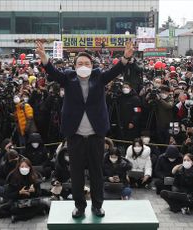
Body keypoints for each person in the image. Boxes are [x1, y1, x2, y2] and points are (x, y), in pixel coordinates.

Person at [35, 40, 134, 218]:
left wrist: (126, 57)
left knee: (96, 171)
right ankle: (79, 206)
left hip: (96, 133)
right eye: (80, 63)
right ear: (74, 66)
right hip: (75, 134)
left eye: (87, 63)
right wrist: (45, 59)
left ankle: (97, 205)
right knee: (77, 172)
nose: (83, 66)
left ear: (92, 65)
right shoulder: (67, 77)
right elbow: (52, 72)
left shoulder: (99, 76)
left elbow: (115, 71)